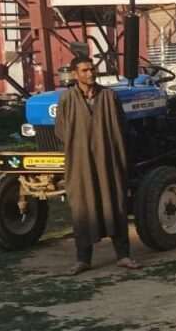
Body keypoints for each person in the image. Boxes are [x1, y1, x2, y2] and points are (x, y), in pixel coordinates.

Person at [58, 56, 140, 275]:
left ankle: (123, 256)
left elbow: (121, 126)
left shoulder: (109, 96)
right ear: (75, 74)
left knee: (116, 204)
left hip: (109, 162)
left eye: (92, 69)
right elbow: (62, 131)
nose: (90, 74)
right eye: (84, 70)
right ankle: (83, 259)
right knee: (83, 208)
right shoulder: (67, 99)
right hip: (81, 165)